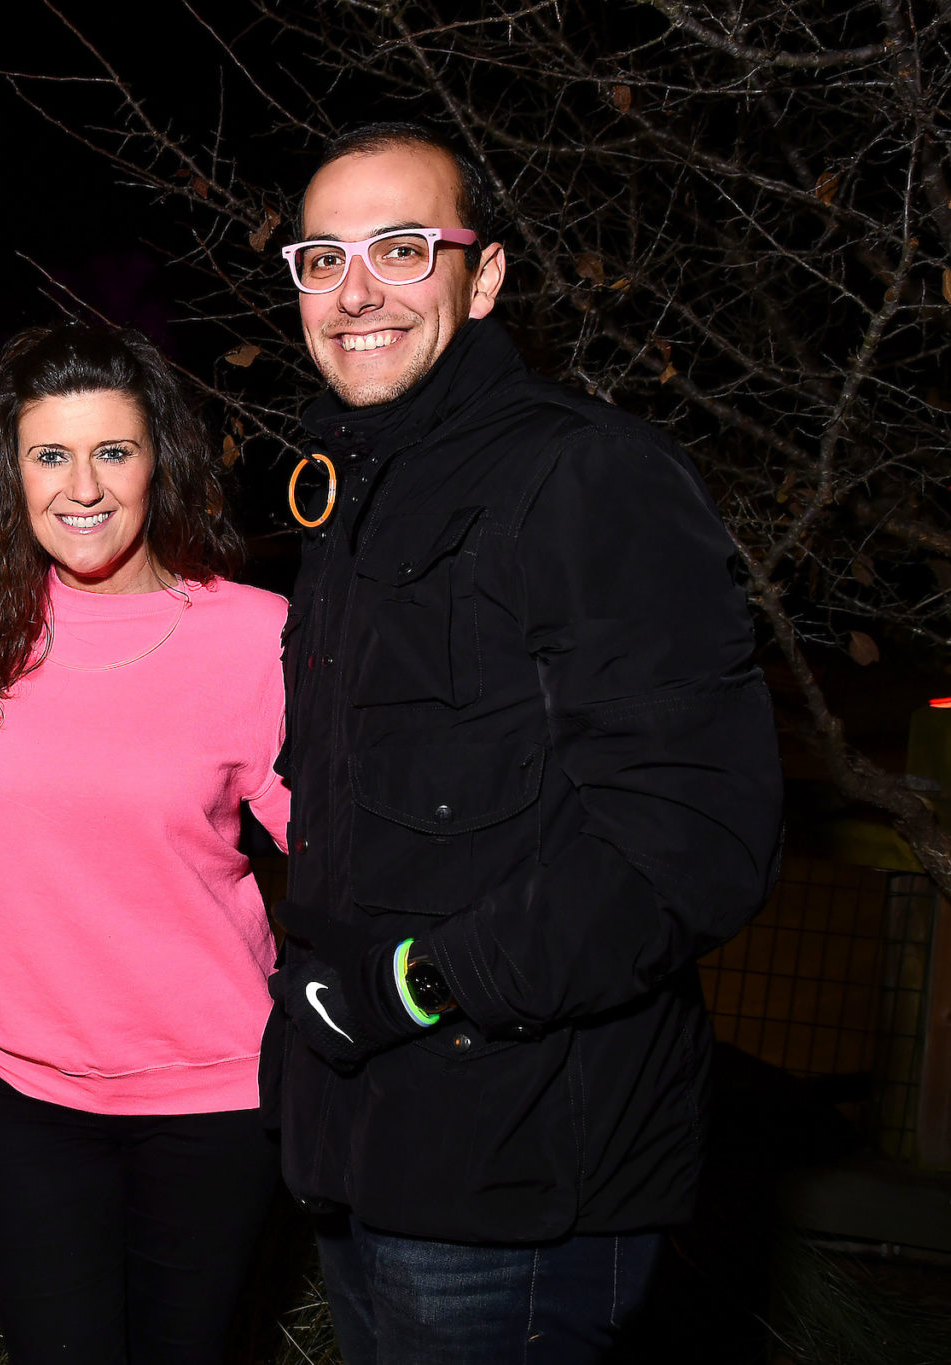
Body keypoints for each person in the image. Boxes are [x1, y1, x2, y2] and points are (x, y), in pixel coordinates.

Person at [265, 122, 785, 1364]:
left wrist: (412, 990)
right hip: (369, 1158)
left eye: (400, 248)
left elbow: (690, 843)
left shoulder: (584, 475)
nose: (355, 291)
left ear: (482, 276)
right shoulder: (354, 495)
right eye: (320, 258)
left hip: (521, 1183)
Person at [0, 323, 292, 1364]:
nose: (80, 488)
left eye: (111, 453)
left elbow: (345, 852)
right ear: (10, 472)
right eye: (49, 455)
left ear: (157, 464)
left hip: (210, 1099)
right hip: (22, 1099)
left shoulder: (254, 636)